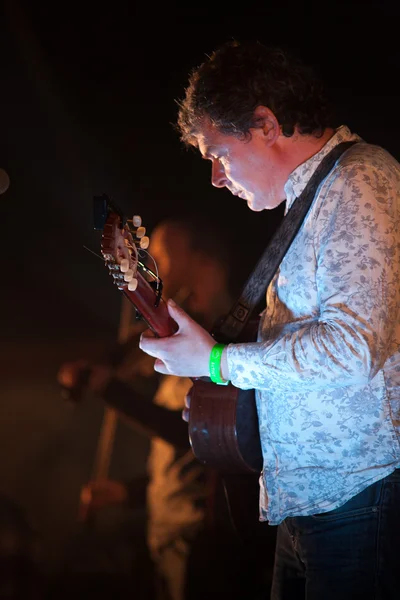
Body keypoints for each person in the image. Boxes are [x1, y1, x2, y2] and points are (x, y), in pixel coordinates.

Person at [138, 40, 400, 600]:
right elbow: (309, 354)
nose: (214, 176)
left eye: (220, 152)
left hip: (359, 503)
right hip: (310, 505)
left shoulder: (358, 181)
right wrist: (225, 393)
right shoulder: (311, 199)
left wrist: (218, 361)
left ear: (266, 123)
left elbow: (354, 351)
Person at [58, 216, 271, 600]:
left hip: (206, 542)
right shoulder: (183, 348)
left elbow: (198, 439)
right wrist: (129, 493)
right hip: (170, 537)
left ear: (207, 264)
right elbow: (188, 467)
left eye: (162, 257)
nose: (150, 268)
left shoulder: (228, 351)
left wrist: (112, 390)